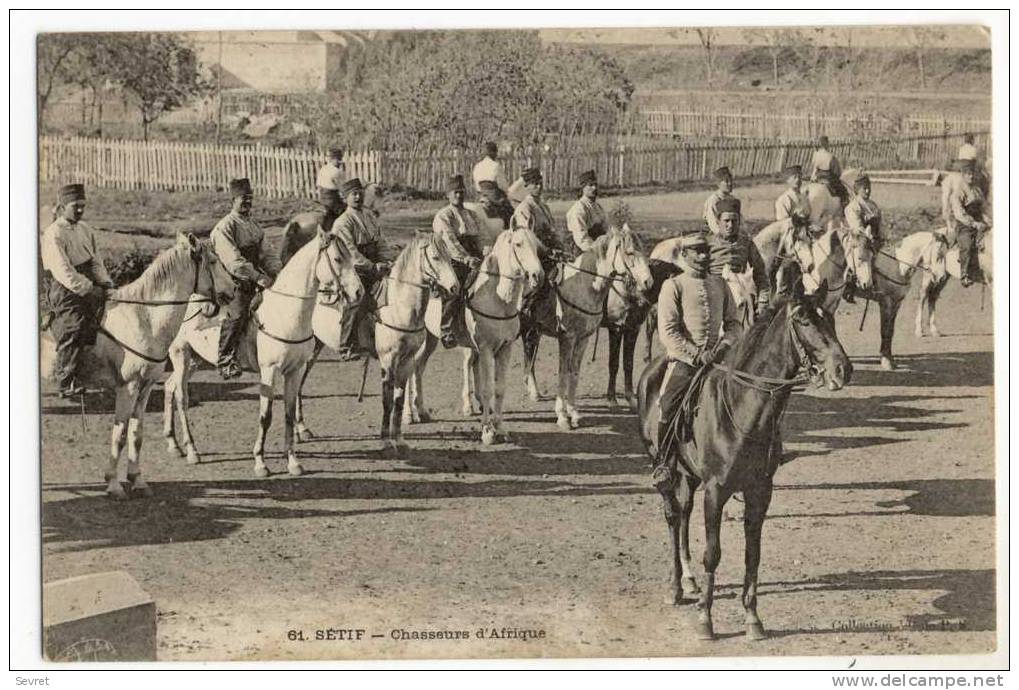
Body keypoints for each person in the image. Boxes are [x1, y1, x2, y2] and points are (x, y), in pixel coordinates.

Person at [653, 233, 740, 483]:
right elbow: (668, 331)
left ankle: (767, 453)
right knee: (668, 403)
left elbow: (734, 323)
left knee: (753, 394)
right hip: (686, 360)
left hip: (721, 356)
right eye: (697, 251)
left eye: (706, 251)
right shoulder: (674, 286)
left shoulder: (720, 284)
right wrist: (697, 355)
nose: (703, 256)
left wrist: (724, 346)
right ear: (685, 255)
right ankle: (664, 462)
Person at [42, 183, 115, 397]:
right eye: (76, 206)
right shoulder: (53, 234)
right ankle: (65, 381)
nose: (81, 210)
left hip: (89, 282)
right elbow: (63, 271)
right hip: (65, 289)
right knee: (74, 326)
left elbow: (96, 262)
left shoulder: (86, 230)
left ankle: (100, 370)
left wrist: (107, 283)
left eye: (83, 206)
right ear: (62, 206)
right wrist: (89, 289)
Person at [211, 178, 281, 379]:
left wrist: (277, 272)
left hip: (254, 278)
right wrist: (258, 277)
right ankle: (225, 359)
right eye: (243, 198)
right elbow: (234, 262)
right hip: (232, 280)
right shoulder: (224, 227)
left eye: (250, 198)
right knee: (239, 311)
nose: (247, 202)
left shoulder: (253, 225)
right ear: (233, 200)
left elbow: (267, 252)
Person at [332, 177, 394, 358]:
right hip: (354, 269)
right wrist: (372, 267)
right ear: (345, 198)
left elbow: (381, 242)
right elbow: (351, 253)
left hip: (376, 264)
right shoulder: (342, 222)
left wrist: (388, 260)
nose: (358, 197)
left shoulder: (369, 215)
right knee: (357, 298)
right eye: (353, 194)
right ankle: (347, 345)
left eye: (360, 193)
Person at [433, 174, 483, 348]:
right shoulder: (443, 216)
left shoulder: (472, 214)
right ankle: (446, 329)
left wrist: (485, 252)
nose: (459, 196)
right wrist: (466, 258)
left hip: (474, 256)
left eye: (461, 192)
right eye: (455, 192)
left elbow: (479, 237)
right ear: (448, 194)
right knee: (455, 288)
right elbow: (450, 241)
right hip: (452, 259)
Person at [708, 196, 770, 315]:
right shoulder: (708, 244)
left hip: (740, 291)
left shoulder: (746, 243)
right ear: (718, 221)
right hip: (714, 291)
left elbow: (760, 273)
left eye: (734, 221)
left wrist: (763, 300)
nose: (730, 225)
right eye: (726, 221)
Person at [512, 166, 564, 306]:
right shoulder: (524, 208)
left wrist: (561, 248)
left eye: (540, 182)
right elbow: (528, 239)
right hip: (533, 255)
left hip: (549, 253)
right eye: (534, 183)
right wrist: (547, 251)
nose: (539, 186)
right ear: (526, 186)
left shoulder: (543, 206)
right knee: (544, 283)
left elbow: (552, 231)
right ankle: (528, 312)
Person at [946, 160, 990, 287]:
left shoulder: (977, 190)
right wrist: (974, 224)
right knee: (967, 244)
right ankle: (965, 274)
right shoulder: (958, 192)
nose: (971, 176)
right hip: (965, 225)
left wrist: (988, 220)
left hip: (980, 222)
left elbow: (984, 207)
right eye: (968, 174)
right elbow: (959, 213)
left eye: (972, 174)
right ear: (962, 175)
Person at [842, 174, 883, 302]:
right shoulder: (853, 207)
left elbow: (880, 224)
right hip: (857, 240)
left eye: (869, 187)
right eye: (864, 188)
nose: (867, 191)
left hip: (873, 241)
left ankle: (877, 285)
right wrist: (866, 232)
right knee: (855, 260)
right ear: (857, 189)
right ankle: (849, 287)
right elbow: (856, 227)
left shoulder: (874, 206)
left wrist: (880, 236)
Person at [472, 141, 513, 228]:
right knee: (510, 212)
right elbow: (503, 186)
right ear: (493, 153)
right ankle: (508, 231)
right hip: (495, 198)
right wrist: (507, 193)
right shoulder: (496, 166)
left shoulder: (477, 166)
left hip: (482, 196)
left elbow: (478, 187)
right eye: (496, 153)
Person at [565, 169, 607, 253]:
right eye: (590, 185)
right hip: (585, 251)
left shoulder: (597, 206)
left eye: (595, 185)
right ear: (583, 188)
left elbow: (606, 228)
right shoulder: (578, 209)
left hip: (601, 248)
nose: (594, 188)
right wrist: (597, 251)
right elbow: (582, 239)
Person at [809, 135, 848, 206]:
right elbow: (837, 172)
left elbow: (813, 167)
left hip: (817, 178)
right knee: (843, 190)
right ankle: (844, 204)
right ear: (827, 144)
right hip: (828, 179)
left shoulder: (815, 155)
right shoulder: (831, 156)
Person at [703, 166, 736, 236]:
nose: (730, 184)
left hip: (731, 233)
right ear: (719, 184)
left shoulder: (732, 199)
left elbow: (739, 219)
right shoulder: (713, 200)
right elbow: (712, 222)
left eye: (731, 180)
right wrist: (721, 235)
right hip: (715, 235)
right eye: (726, 181)